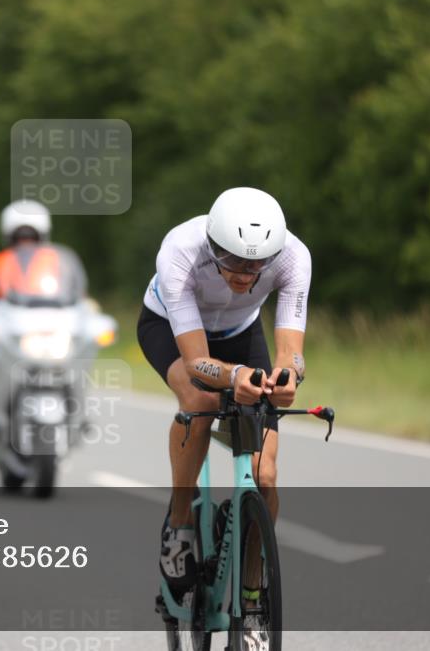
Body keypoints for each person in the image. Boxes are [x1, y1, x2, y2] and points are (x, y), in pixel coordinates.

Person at [137, 187, 310, 611]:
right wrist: (234, 376)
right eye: (230, 258)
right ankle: (179, 525)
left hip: (240, 332)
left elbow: (291, 349)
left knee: (264, 474)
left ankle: (251, 598)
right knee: (201, 401)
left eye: (255, 263)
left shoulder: (293, 257)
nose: (243, 272)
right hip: (171, 327)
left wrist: (288, 377)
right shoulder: (180, 249)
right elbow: (196, 361)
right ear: (213, 244)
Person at [0, 199, 88, 441]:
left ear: (43, 236)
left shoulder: (61, 261)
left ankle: (79, 416)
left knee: (80, 358)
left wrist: (87, 306)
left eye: (31, 236)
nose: (25, 242)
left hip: (52, 330)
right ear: (9, 236)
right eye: (20, 236)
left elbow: (77, 294)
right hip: (9, 332)